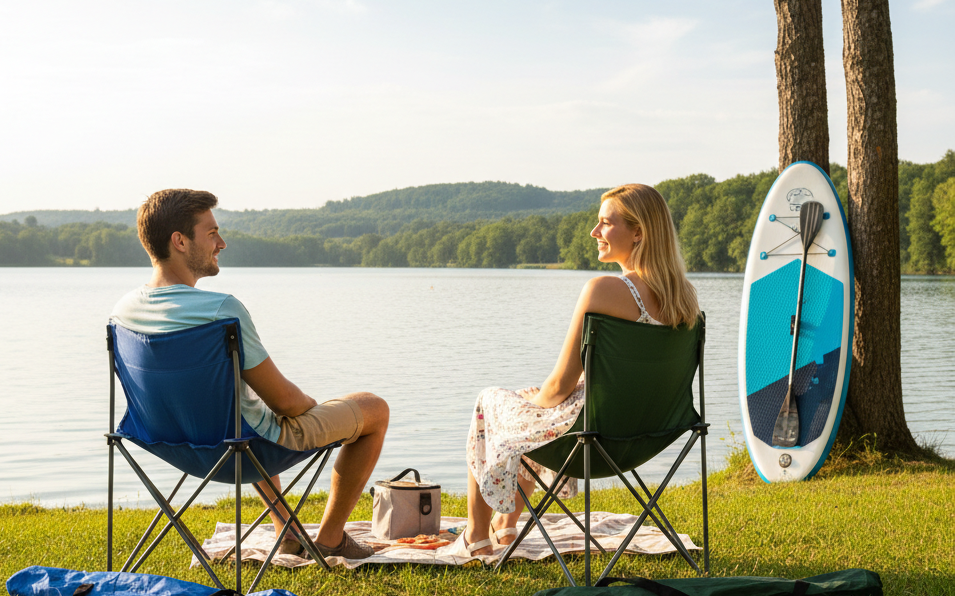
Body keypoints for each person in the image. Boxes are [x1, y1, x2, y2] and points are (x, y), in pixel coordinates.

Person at [110, 188, 389, 560]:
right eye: (211, 233)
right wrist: (312, 407)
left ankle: (286, 531)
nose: (221, 243)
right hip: (242, 451)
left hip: (172, 447)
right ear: (179, 241)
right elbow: (286, 402)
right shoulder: (221, 310)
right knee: (374, 409)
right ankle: (331, 539)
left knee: (247, 410)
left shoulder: (123, 312)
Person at [445, 183, 701, 559]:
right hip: (647, 436)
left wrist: (536, 402)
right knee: (529, 403)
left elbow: (560, 385)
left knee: (494, 402)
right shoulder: (685, 300)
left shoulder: (604, 289)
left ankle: (476, 537)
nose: (595, 232)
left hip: (590, 440)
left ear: (639, 233)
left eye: (604, 223)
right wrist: (535, 400)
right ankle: (506, 526)